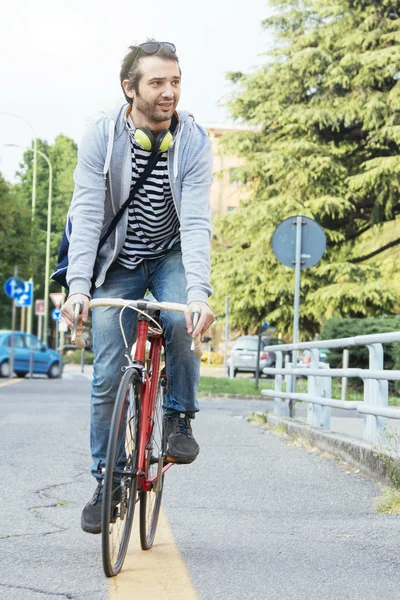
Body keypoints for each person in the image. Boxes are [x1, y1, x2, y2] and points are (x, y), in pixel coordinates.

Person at [61, 40, 214, 534]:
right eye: (157, 82)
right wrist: (80, 288)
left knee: (179, 318)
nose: (169, 92)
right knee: (107, 374)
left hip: (170, 254)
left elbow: (195, 221)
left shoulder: (192, 140)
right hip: (118, 261)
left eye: (175, 82)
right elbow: (85, 214)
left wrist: (199, 294)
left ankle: (178, 418)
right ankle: (106, 481)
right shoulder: (102, 137)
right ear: (130, 89)